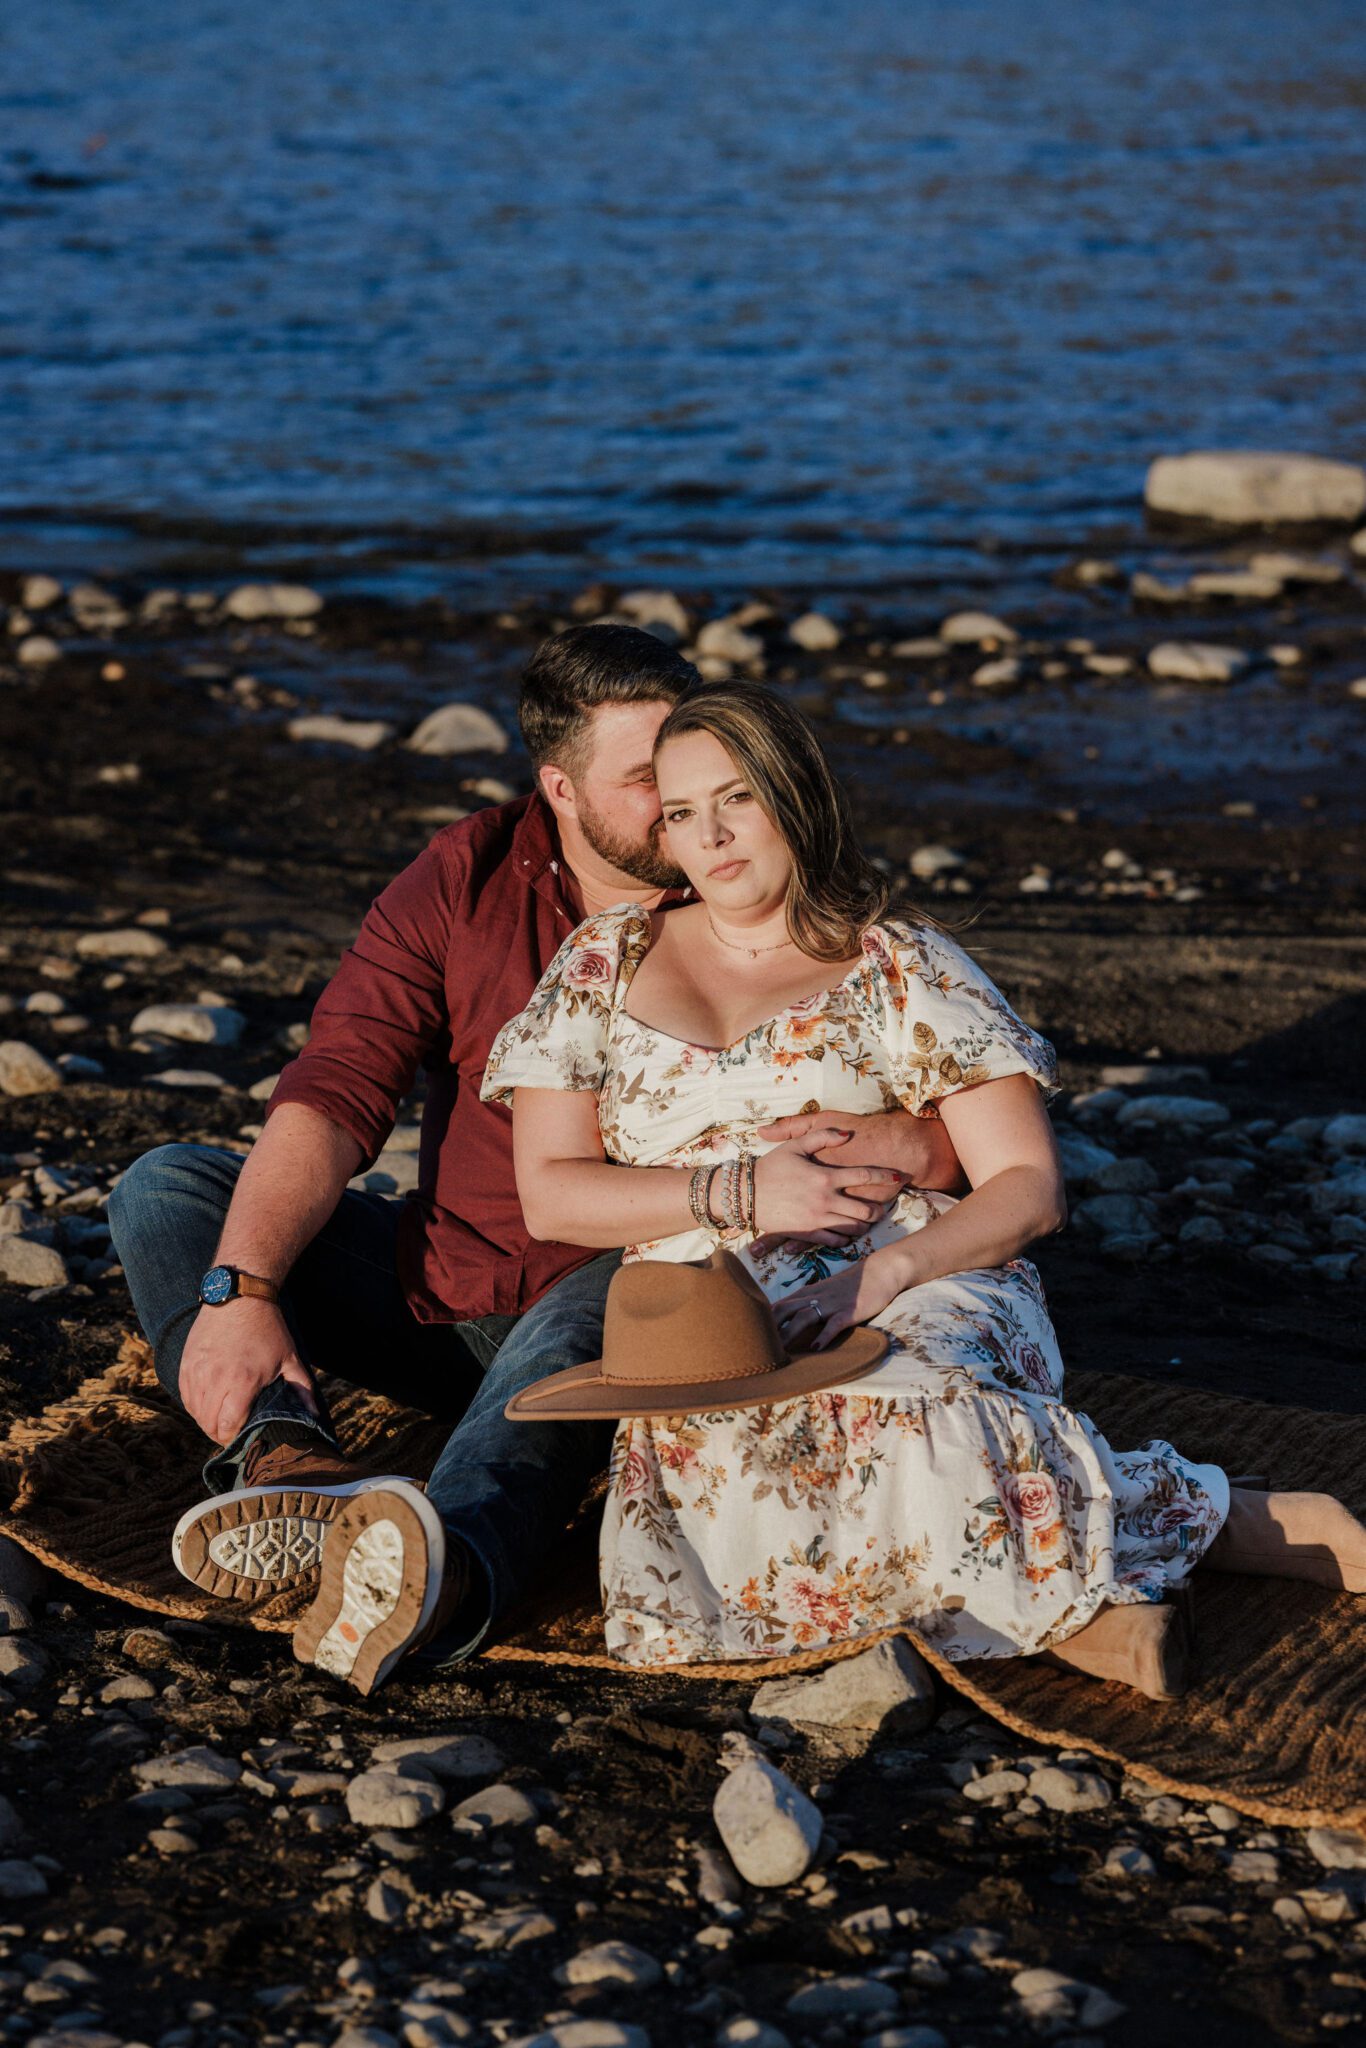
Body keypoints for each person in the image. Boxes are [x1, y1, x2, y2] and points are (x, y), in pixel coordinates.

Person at [309, 680, 1366, 1700]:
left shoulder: (900, 963)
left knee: (909, 1413)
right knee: (736, 1471)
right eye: (682, 812)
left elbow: (1027, 1186)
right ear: (663, 838)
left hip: (916, 1265)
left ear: (794, 798)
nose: (713, 834)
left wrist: (882, 1274)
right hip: (709, 1301)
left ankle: (1207, 1550)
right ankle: (1113, 1585)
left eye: (737, 798)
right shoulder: (600, 965)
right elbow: (554, 1196)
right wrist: (739, 1191)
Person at [109, 628, 962, 1678]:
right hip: (450, 1289)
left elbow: (953, 1101)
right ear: (560, 786)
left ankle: (441, 1568)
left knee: (603, 1295)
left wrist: (908, 1138)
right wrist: (242, 1288)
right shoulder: (464, 877)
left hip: (658, 1306)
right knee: (170, 1190)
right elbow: (336, 1086)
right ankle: (288, 1456)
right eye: (651, 780)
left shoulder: (750, 882)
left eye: (702, 767)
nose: (688, 807)